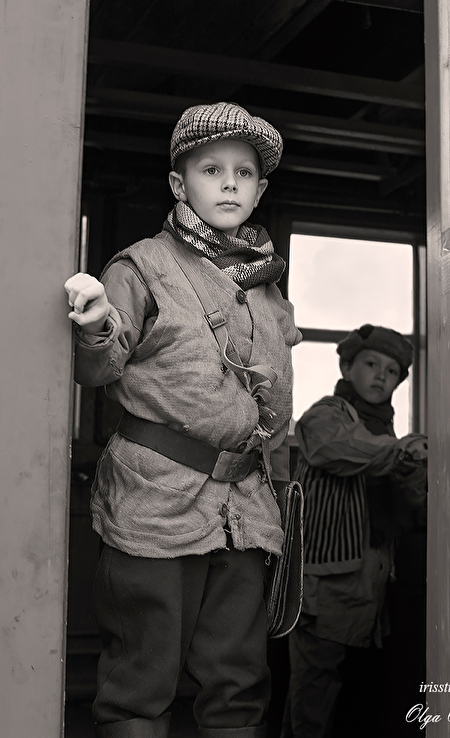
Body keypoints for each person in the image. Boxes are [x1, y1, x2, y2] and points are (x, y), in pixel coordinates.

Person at [64, 102, 301, 738]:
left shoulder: (266, 286)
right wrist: (96, 323)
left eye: (244, 173)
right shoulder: (140, 266)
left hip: (245, 511)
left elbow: (277, 402)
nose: (229, 184)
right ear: (179, 183)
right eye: (211, 169)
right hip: (155, 501)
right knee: (141, 683)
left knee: (239, 683)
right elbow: (98, 366)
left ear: (260, 190)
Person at [283, 324, 427, 738]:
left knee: (351, 694)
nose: (381, 376)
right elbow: (336, 448)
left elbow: (412, 504)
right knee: (313, 690)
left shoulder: (386, 432)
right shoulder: (327, 414)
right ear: (347, 367)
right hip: (325, 579)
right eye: (371, 364)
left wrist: (414, 469)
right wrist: (402, 452)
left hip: (370, 581)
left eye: (392, 371)